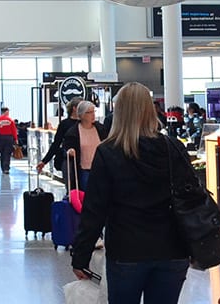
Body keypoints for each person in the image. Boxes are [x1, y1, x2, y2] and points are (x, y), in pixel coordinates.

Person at [70, 83, 189, 304]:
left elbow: (94, 210)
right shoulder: (173, 148)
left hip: (127, 249)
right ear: (149, 109)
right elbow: (191, 195)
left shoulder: (108, 152)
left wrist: (81, 255)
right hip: (173, 248)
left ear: (119, 111)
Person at [41, 101, 107, 189]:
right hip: (83, 169)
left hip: (100, 169)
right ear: (82, 114)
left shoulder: (100, 129)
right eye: (89, 112)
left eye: (93, 111)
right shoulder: (73, 132)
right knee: (84, 194)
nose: (93, 115)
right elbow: (59, 145)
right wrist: (45, 161)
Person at [38, 98, 85, 177]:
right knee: (71, 184)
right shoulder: (64, 124)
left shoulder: (86, 123)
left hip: (85, 159)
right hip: (68, 160)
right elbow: (56, 143)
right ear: (74, 108)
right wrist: (44, 161)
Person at [0, 107, 19, 175]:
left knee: (2, 153)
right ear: (6, 112)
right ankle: (6, 168)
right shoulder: (10, 120)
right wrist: (16, 139)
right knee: (7, 153)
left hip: (1, 138)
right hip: (9, 138)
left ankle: (3, 168)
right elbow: (14, 131)